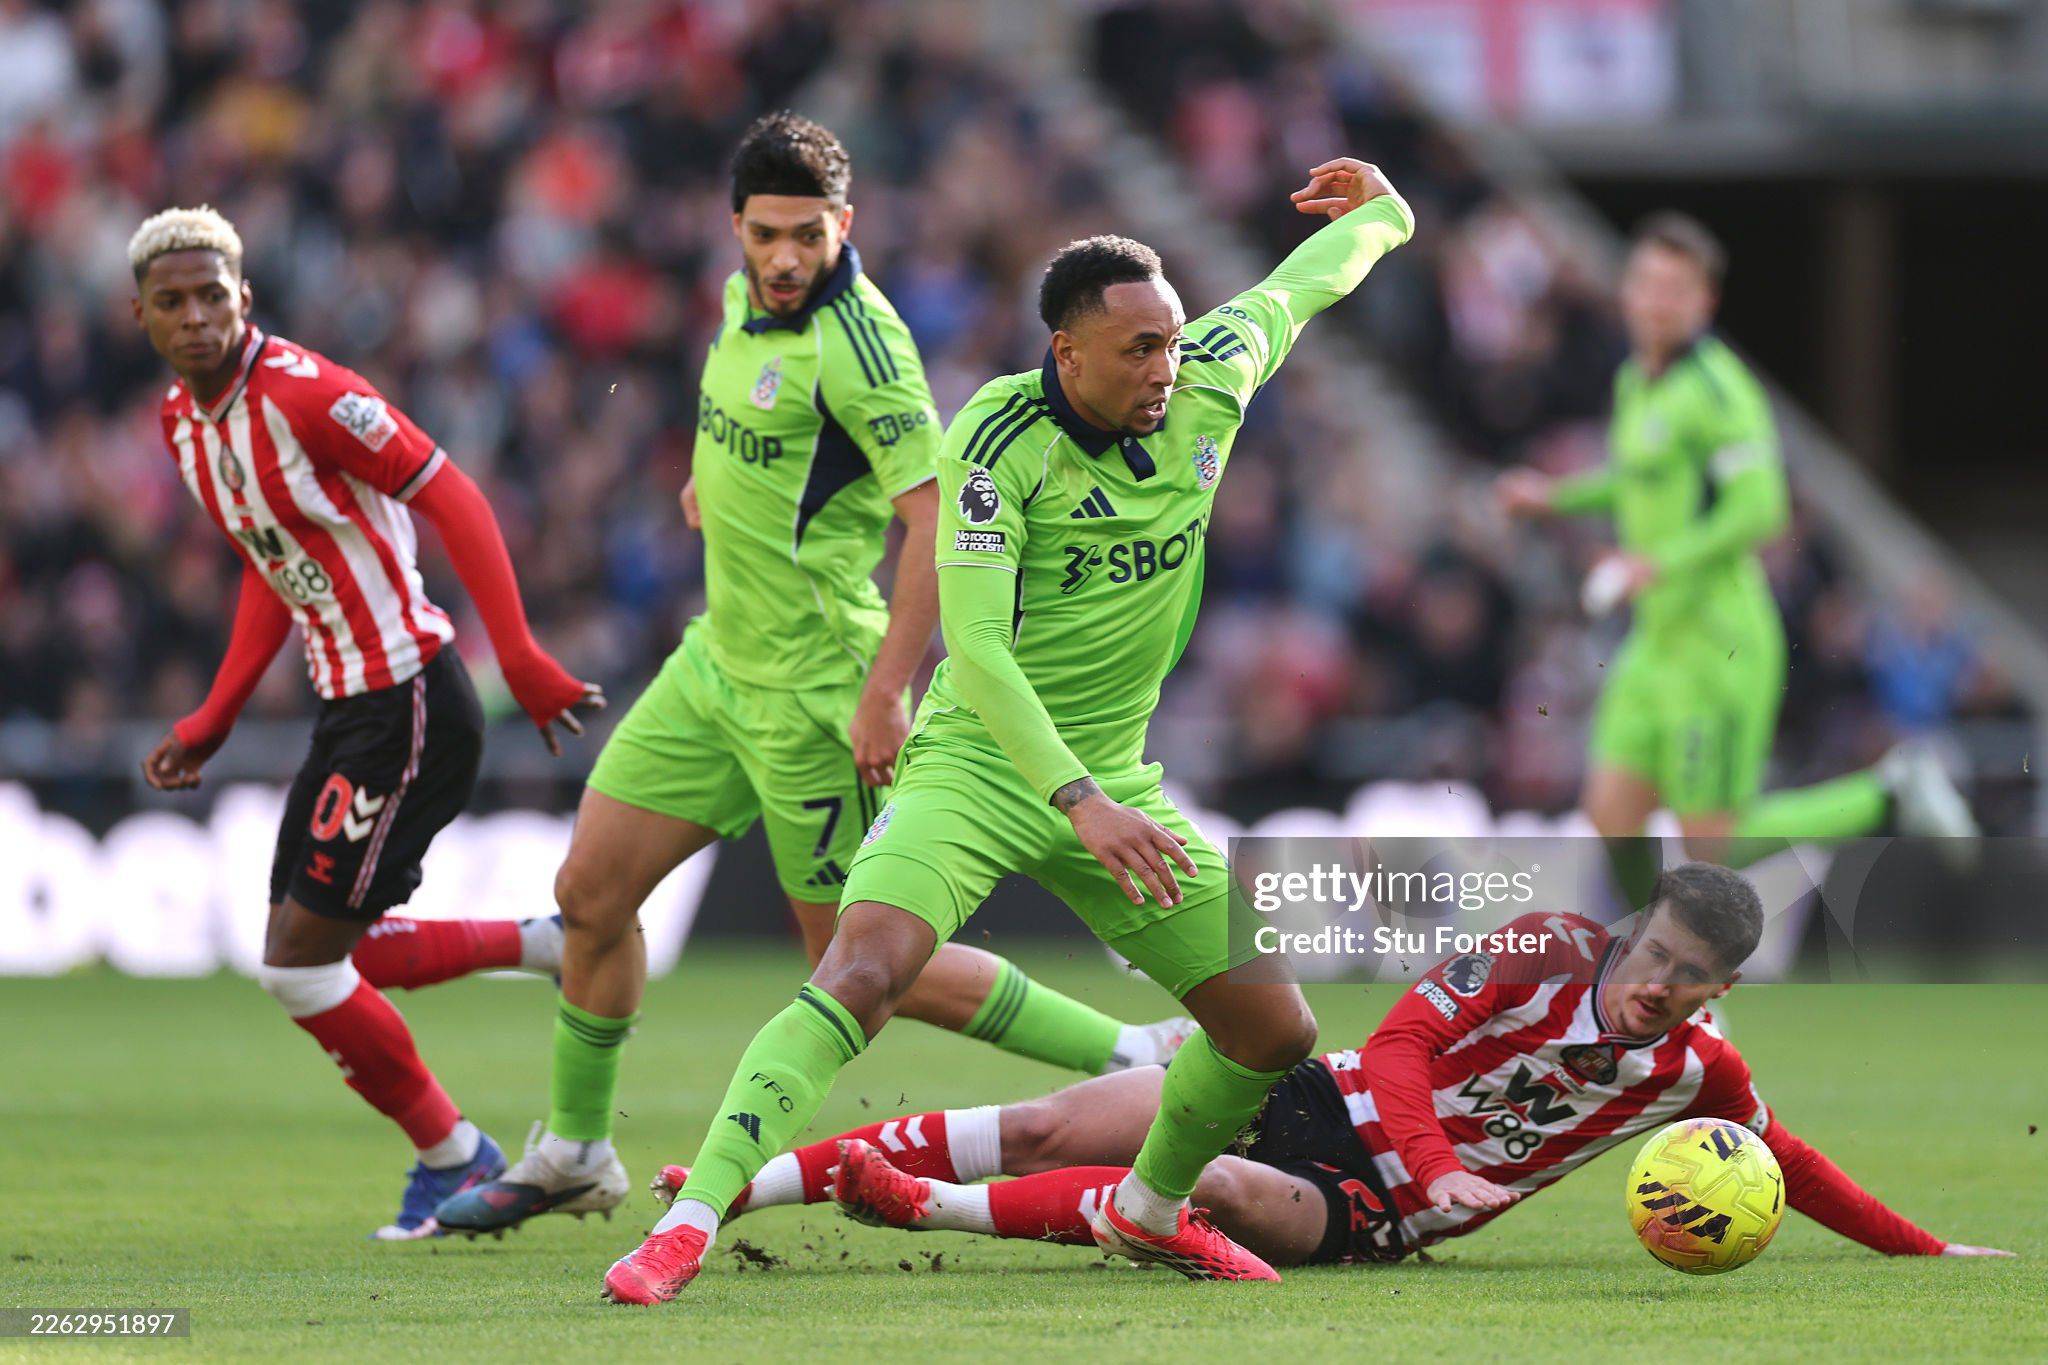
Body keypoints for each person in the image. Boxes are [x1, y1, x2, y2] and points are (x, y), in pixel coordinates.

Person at [600, 155, 1418, 1302]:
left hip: (1117, 780)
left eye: (1172, 339)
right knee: (863, 967)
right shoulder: (993, 438)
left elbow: (1307, 281)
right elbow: (974, 651)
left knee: (1271, 1033)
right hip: (982, 765)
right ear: (1064, 353)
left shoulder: (1208, 384)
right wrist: (1074, 800)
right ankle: (685, 1224)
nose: (1164, 367)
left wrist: (1384, 212)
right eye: (1138, 350)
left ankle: (1146, 1209)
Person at [435, 113, 1190, 1237]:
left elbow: (928, 517)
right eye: (764, 234)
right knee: (589, 896)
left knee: (853, 963)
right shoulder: (744, 300)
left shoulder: (868, 349)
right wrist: (710, 490)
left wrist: (885, 688)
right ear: (735, 228)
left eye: (807, 234)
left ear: (846, 224)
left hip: (817, 691)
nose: (783, 257)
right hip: (713, 666)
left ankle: (1135, 1054)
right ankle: (575, 1151)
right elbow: (757, 431)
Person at [664, 863, 2010, 1268]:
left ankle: (917, 1204)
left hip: (1371, 1212)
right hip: (1336, 1103)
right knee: (1069, 1118)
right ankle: (738, 1188)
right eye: (1651, 950)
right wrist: (1442, 1159)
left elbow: (1791, 1159)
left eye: (1688, 977)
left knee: (1225, 1197)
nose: (1655, 982)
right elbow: (1413, 1041)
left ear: (1719, 990)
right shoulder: (1546, 941)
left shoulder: (1697, 1077)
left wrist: (1926, 1252)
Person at [132, 205, 605, 1239]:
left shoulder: (311, 396)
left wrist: (516, 655)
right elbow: (277, 566)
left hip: (409, 700)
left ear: (244, 297)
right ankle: (549, 951)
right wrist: (214, 714)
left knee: (301, 962)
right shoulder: (185, 424)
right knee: (324, 958)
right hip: (353, 706)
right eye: (173, 302)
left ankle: (455, 1151)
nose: (197, 315)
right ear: (144, 318)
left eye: (213, 294)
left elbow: (457, 494)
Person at [1495, 213, 1976, 870]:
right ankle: (1640, 961)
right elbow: (1641, 480)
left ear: (1704, 302)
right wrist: (1556, 497)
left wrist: (1655, 561)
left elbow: (1763, 506)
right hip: (1656, 643)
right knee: (1611, 821)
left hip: (1719, 643)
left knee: (1713, 842)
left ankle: (1887, 792)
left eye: (1676, 288)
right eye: (1647, 283)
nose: (1657, 301)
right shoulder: (1638, 379)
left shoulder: (1722, 391)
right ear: (1628, 290)